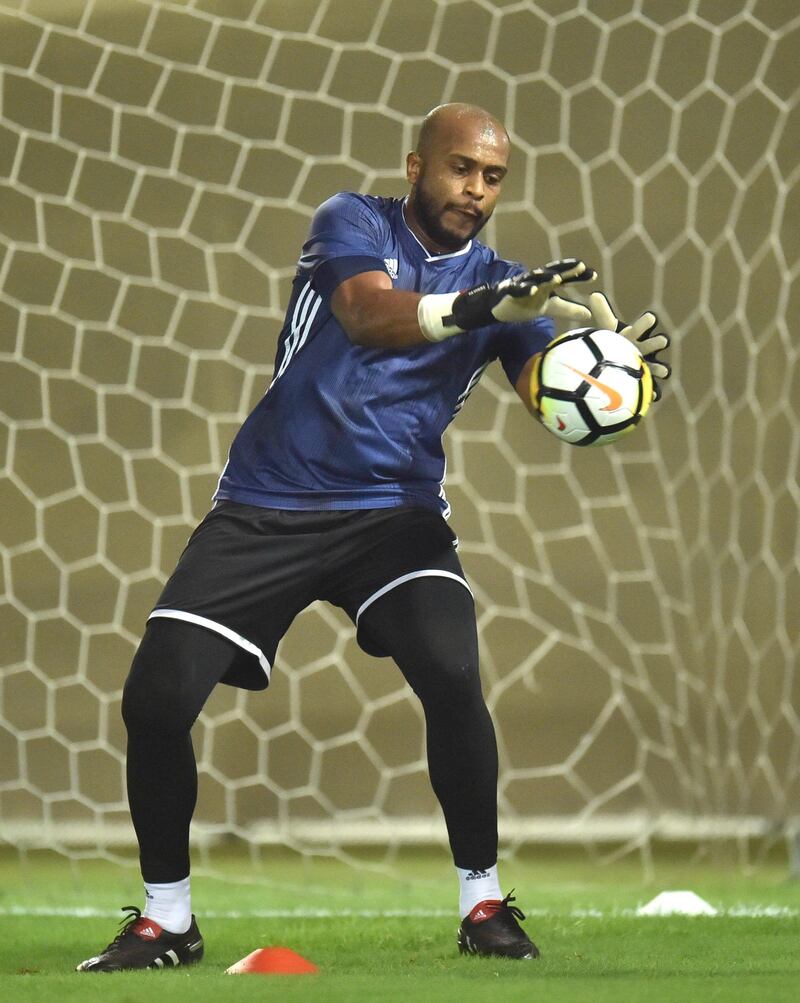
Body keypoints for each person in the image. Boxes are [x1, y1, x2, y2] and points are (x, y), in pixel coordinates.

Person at [77, 103, 670, 971]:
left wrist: (607, 372)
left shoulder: (510, 288)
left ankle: (484, 904)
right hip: (267, 503)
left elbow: (549, 383)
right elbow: (368, 315)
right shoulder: (350, 221)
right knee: (156, 696)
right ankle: (168, 920)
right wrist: (482, 306)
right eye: (460, 168)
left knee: (452, 665)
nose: (475, 189)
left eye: (493, 177)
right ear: (416, 165)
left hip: (394, 517)